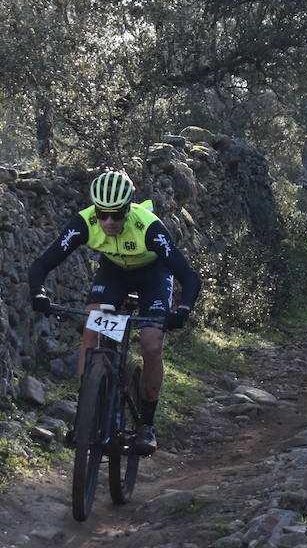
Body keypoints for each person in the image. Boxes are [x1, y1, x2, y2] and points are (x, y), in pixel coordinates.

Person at [29, 169, 201, 455]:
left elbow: (189, 277)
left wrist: (182, 310)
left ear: (128, 209)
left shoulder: (149, 227)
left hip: (152, 277)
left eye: (117, 215)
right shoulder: (84, 222)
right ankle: (87, 414)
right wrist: (38, 292)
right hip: (113, 275)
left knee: (151, 343)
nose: (109, 221)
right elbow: (42, 263)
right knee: (92, 330)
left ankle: (146, 423)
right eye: (103, 214)